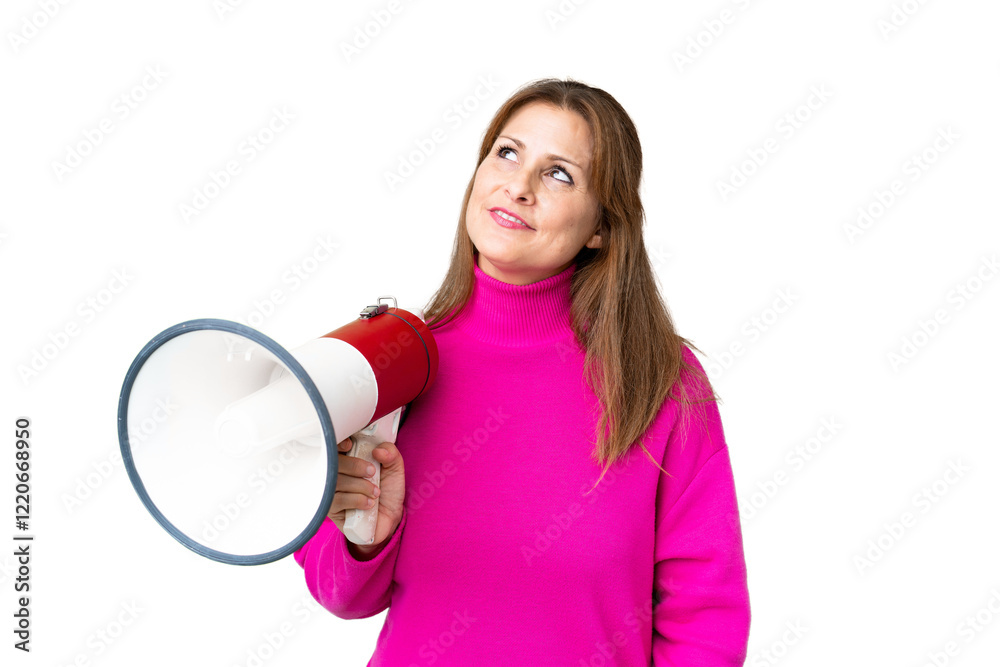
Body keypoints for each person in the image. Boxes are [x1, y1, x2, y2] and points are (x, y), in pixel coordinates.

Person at [295, 77, 751, 665]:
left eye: (559, 173)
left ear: (601, 229)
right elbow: (341, 597)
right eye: (507, 153)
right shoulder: (395, 361)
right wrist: (365, 537)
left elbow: (705, 617)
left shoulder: (659, 379)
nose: (519, 185)